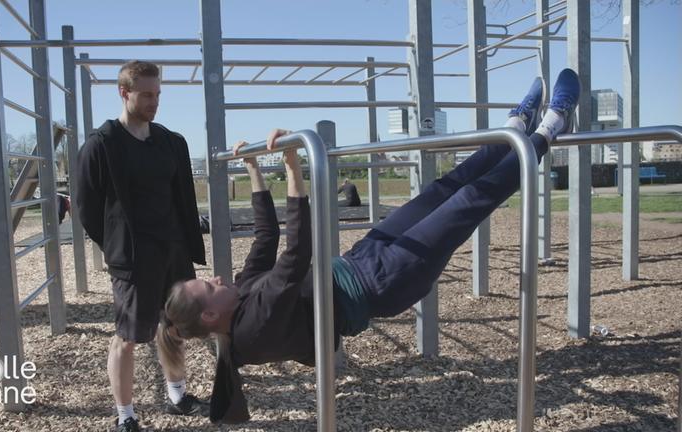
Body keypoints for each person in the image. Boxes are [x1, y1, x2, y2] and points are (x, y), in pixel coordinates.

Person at [161, 69, 581, 424]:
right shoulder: (253, 329)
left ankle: (509, 132)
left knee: (442, 189)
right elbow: (295, 254)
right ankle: (550, 129)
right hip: (386, 281)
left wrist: (252, 168)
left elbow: (267, 237)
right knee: (469, 203)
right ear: (212, 313)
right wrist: (293, 167)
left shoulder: (241, 295)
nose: (215, 277)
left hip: (360, 261)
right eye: (209, 286)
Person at [76, 60, 208, 432]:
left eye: (158, 94)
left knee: (175, 326)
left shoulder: (170, 142)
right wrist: (116, 247)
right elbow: (86, 208)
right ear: (124, 92)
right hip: (133, 258)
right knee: (129, 337)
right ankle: (126, 415)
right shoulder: (102, 145)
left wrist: (185, 243)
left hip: (173, 250)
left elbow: (183, 198)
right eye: (146, 94)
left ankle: (178, 395)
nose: (154, 101)